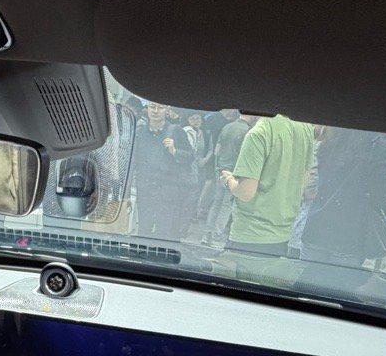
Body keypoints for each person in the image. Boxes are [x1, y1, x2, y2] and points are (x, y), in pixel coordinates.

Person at [299, 128, 386, 293]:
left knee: (305, 289)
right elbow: (379, 197)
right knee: (337, 293)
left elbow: (316, 181)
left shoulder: (331, 139)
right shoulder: (380, 146)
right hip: (349, 234)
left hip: (316, 226)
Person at [220, 113, 315, 256]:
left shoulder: (259, 132)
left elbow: (245, 192)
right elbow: (305, 181)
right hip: (283, 235)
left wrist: (228, 180)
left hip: (250, 234)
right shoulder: (305, 128)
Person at [128, 102, 195, 241]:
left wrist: (175, 151)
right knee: (144, 229)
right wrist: (127, 192)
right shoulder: (140, 132)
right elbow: (132, 161)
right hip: (145, 189)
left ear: (167, 110)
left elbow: (190, 157)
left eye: (160, 107)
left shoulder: (176, 131)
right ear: (147, 109)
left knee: (165, 231)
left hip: (168, 191)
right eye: (152, 107)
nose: (156, 111)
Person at [196, 109, 251, 246]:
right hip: (233, 173)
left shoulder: (227, 126)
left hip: (220, 169)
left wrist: (218, 168)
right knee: (226, 205)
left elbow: (217, 150)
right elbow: (244, 155)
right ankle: (216, 235)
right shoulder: (247, 131)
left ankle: (206, 234)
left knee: (217, 202)